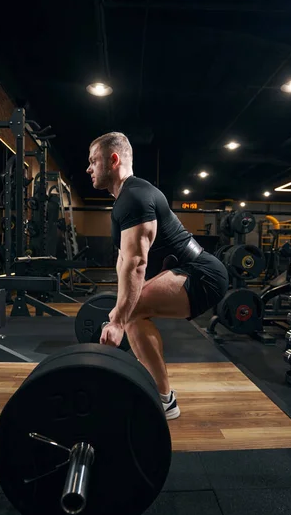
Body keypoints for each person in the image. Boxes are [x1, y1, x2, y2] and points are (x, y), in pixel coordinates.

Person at [86, 132, 229, 420]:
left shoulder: (135, 197)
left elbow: (137, 263)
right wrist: (118, 311)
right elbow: (123, 259)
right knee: (128, 311)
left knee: (131, 313)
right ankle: (158, 390)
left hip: (202, 275)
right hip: (184, 271)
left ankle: (164, 400)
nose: (88, 169)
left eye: (93, 161)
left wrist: (117, 320)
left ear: (113, 160)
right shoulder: (127, 198)